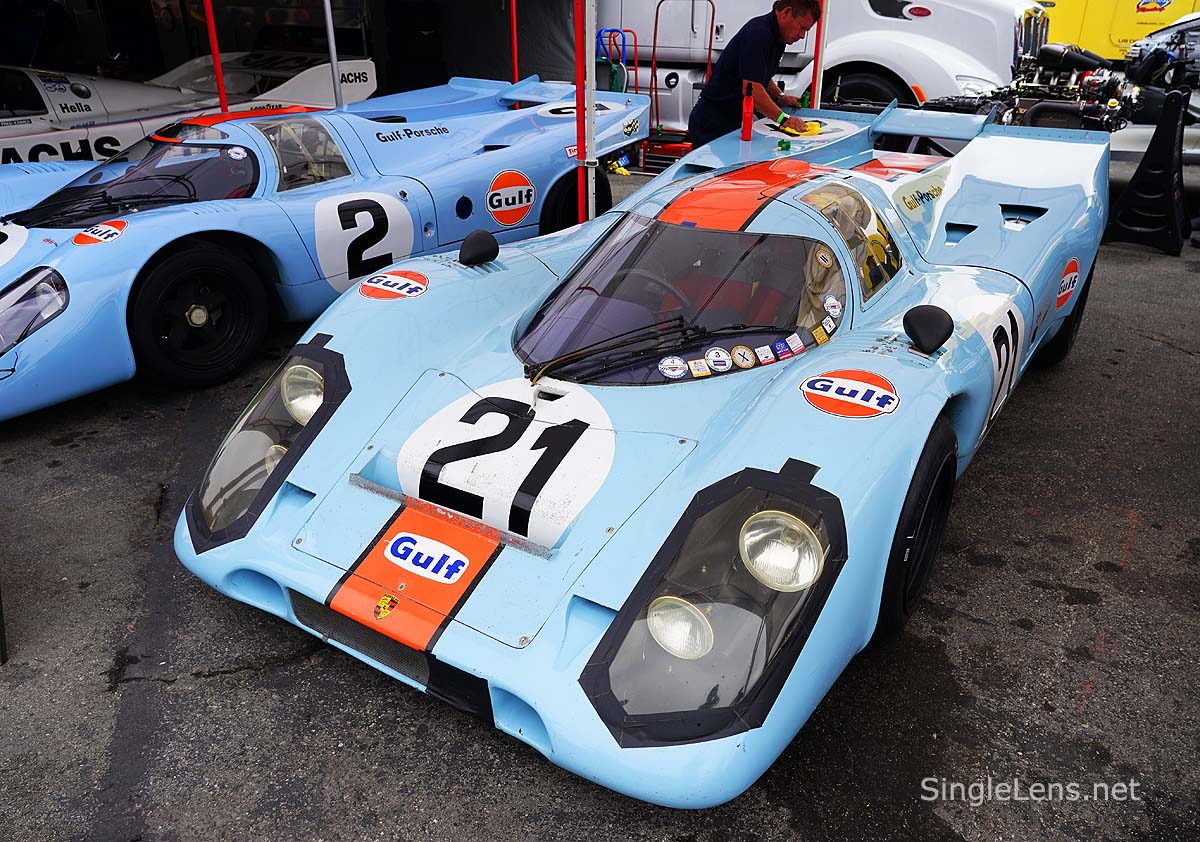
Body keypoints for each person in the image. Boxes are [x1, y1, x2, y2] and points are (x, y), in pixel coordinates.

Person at [687, 0, 821, 148]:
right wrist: (784, 119)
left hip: (730, 120)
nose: (802, 36)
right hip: (711, 123)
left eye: (806, 31)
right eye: (802, 27)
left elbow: (760, 75)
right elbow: (751, 88)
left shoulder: (777, 37)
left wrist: (780, 97)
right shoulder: (759, 34)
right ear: (786, 12)